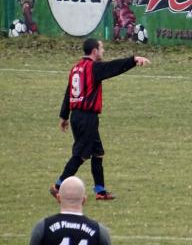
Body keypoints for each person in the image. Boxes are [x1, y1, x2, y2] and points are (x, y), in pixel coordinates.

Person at [49, 38, 150, 200]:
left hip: (77, 115)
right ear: (94, 51)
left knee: (98, 153)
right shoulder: (93, 68)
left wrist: (64, 116)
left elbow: (69, 92)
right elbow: (113, 67)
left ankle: (100, 191)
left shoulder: (76, 68)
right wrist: (133, 60)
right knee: (80, 155)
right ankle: (58, 186)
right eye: (101, 49)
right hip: (86, 117)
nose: (103, 51)